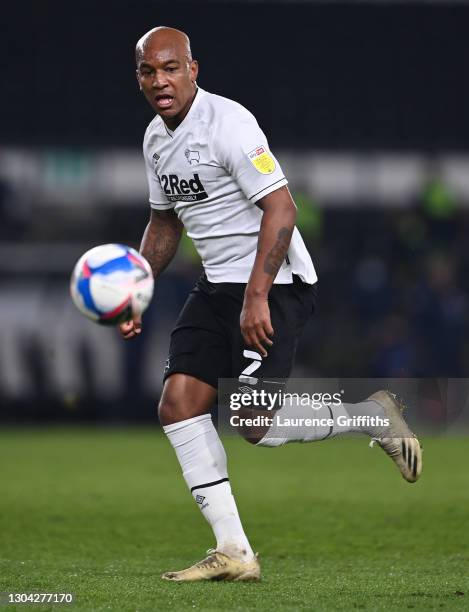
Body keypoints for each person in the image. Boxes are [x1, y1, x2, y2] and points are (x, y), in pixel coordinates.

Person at [120, 26, 423, 582]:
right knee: (178, 404)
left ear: (193, 69)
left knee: (251, 423)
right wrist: (137, 287)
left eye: (170, 67)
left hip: (274, 285)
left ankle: (370, 416)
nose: (160, 80)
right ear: (138, 77)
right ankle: (234, 552)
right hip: (216, 286)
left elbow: (282, 208)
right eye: (148, 71)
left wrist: (257, 297)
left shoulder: (228, 123)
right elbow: (164, 223)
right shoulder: (154, 140)